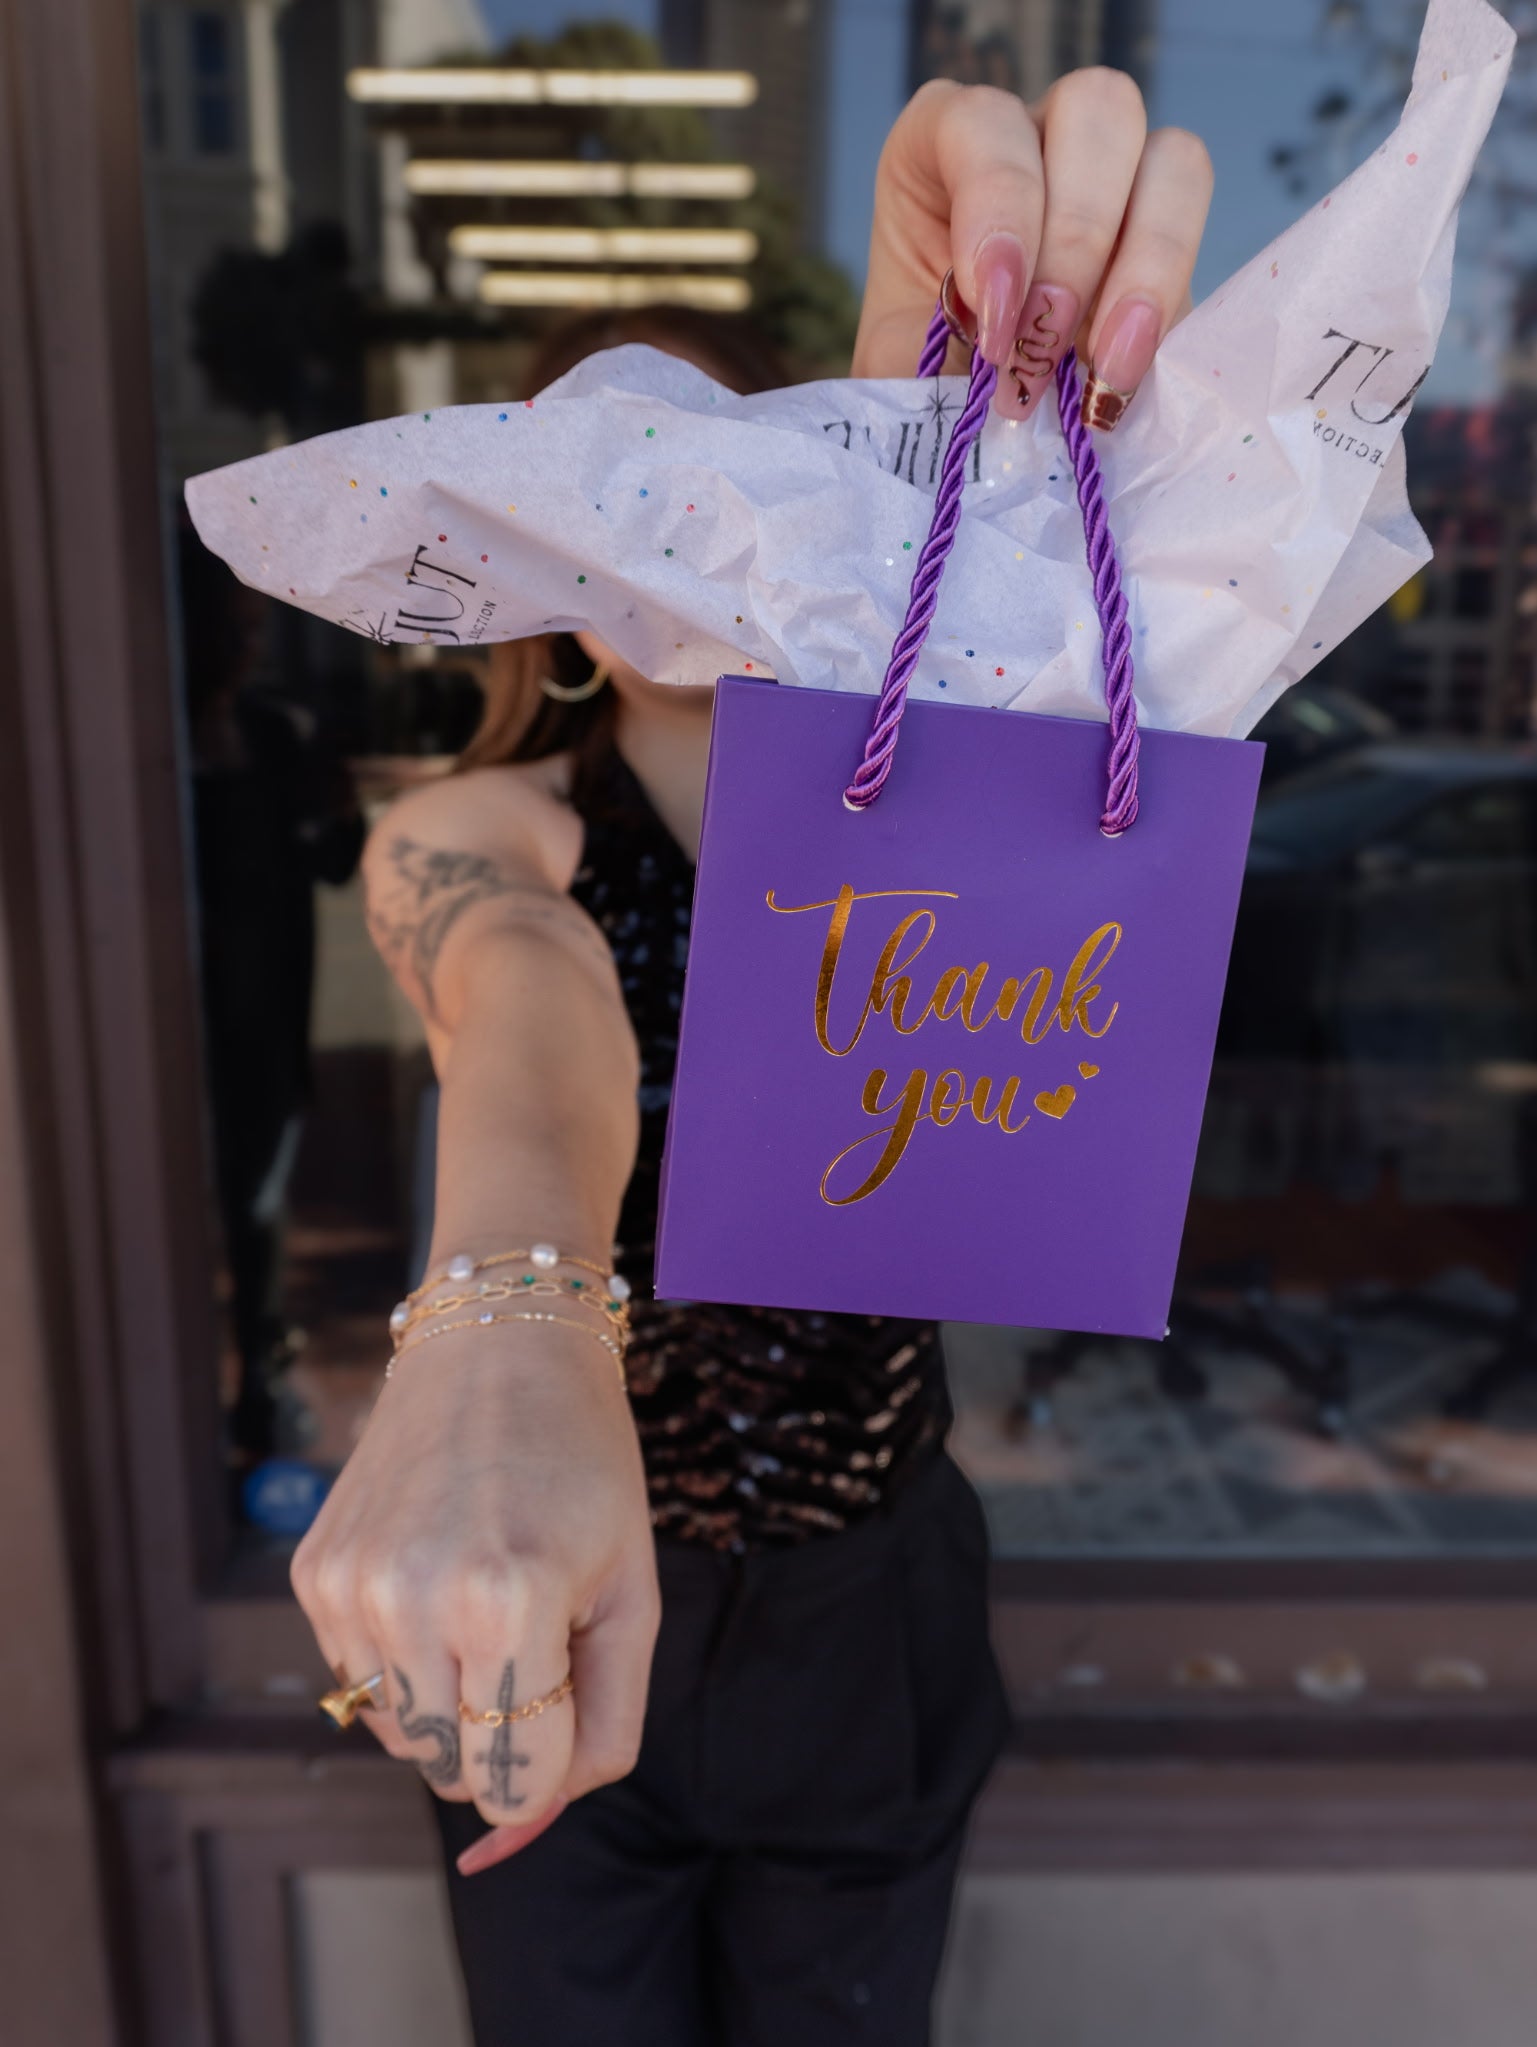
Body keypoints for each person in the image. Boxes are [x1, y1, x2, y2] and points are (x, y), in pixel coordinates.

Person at [292, 71, 1213, 2044]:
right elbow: (520, 989)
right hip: (559, 1572)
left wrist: (963, 520)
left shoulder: (955, 830)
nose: (680, 539)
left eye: (733, 476)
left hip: (867, 1600)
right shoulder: (492, 829)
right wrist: (509, 1312)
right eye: (617, 498)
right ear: (538, 572)